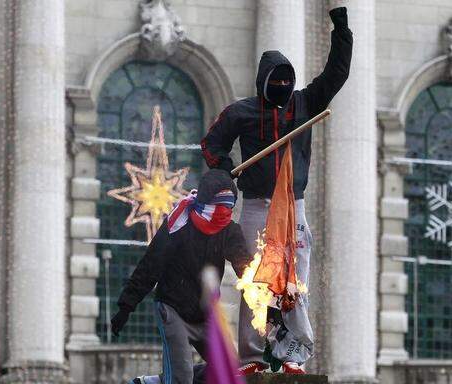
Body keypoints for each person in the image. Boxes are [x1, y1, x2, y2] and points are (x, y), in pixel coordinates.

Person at [200, 6, 353, 375]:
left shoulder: (306, 103)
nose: (284, 87)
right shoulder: (241, 112)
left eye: (288, 80)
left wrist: (342, 30)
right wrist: (223, 168)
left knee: (294, 281)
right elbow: (211, 145)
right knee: (253, 281)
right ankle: (251, 358)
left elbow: (337, 73)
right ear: (264, 81)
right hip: (255, 206)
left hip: (294, 207)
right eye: (277, 80)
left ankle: (292, 356)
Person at [110, 169, 252, 384]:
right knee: (181, 379)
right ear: (205, 203)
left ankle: (156, 381)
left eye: (229, 208)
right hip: (173, 307)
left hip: (205, 314)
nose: (224, 213)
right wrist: (126, 306)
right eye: (220, 207)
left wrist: (263, 300)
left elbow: (245, 267)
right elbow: (150, 265)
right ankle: (173, 376)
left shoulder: (229, 230)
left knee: (231, 373)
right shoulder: (178, 225)